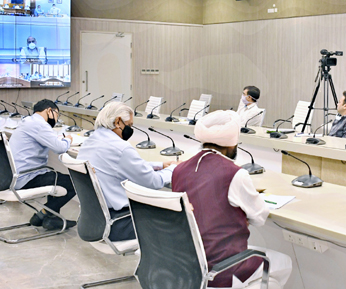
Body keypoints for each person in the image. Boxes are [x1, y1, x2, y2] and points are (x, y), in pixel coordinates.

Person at [172, 110, 292, 289]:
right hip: (221, 269)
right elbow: (259, 217)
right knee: (283, 262)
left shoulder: (179, 169)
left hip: (186, 265)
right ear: (232, 145)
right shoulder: (235, 173)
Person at [76, 102, 177, 241]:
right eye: (129, 125)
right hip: (118, 223)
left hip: (94, 221)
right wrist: (174, 168)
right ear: (118, 122)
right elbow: (154, 182)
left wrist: (159, 165)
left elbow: (119, 165)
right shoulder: (120, 148)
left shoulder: (91, 141)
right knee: (178, 218)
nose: (130, 129)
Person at [9, 99, 77, 231]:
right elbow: (60, 148)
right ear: (49, 111)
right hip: (26, 177)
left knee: (56, 177)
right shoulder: (39, 124)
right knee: (76, 182)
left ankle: (51, 219)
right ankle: (44, 214)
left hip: (15, 175)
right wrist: (67, 139)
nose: (56, 119)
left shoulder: (28, 121)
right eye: (57, 114)